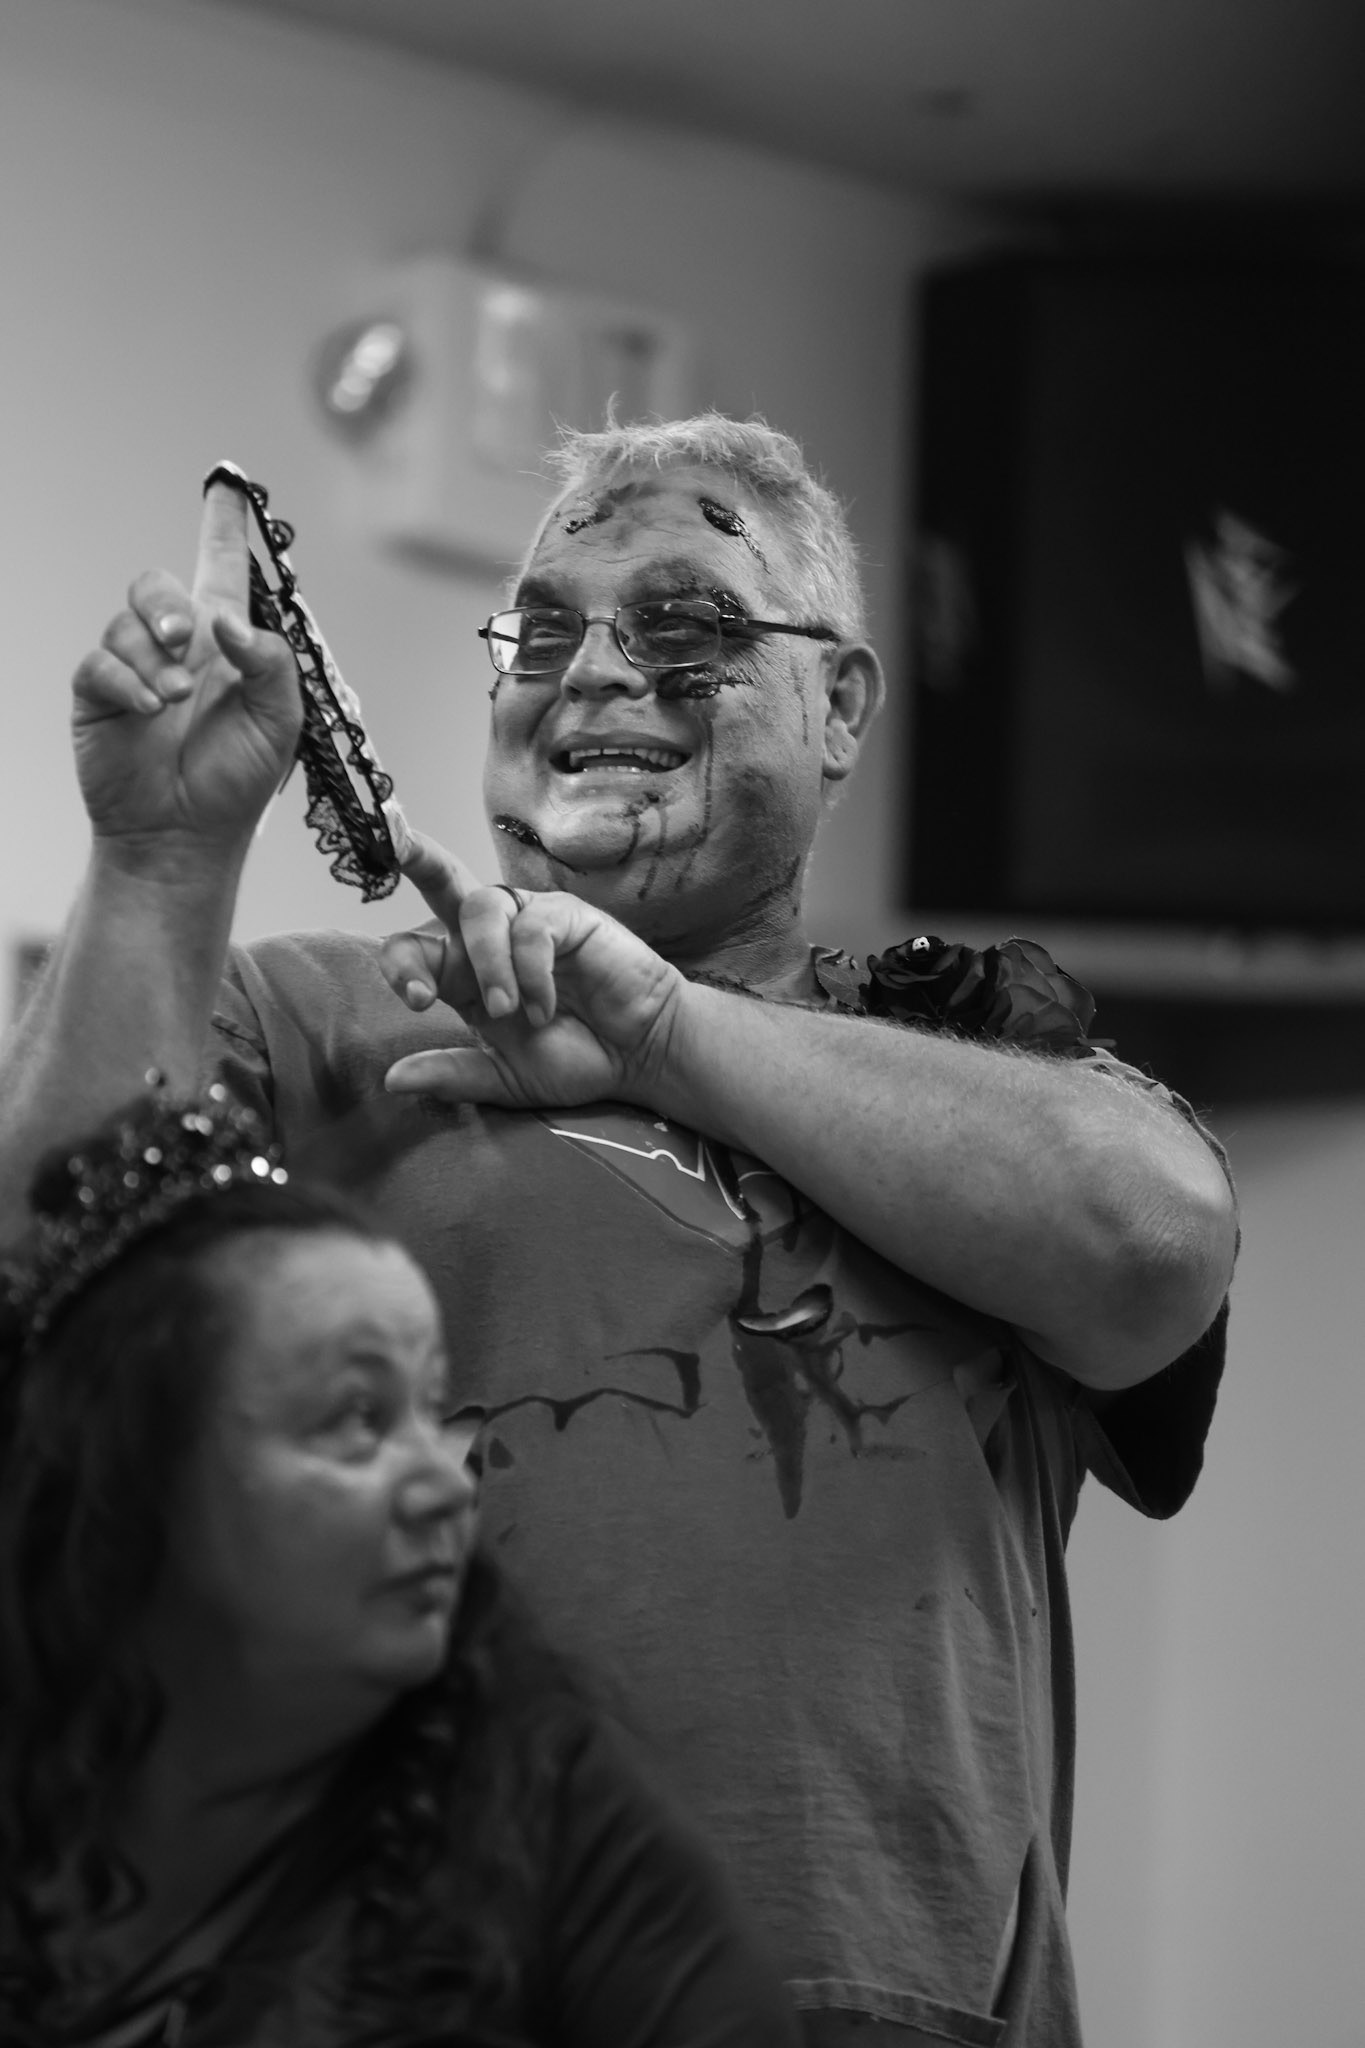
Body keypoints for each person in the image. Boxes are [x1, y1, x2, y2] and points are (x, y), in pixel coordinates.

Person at [0, 415, 1239, 2048]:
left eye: (683, 625)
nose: (589, 673)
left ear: (840, 702)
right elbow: (44, 1300)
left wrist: (660, 1032)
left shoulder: (966, 1059)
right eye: (541, 633)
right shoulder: (318, 1022)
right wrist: (161, 863)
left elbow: (1153, 1246)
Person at [0, 1086, 798, 2047]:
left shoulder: (548, 1816)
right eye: (357, 1419)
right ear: (132, 1477)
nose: (448, 1486)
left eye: (432, 1409)